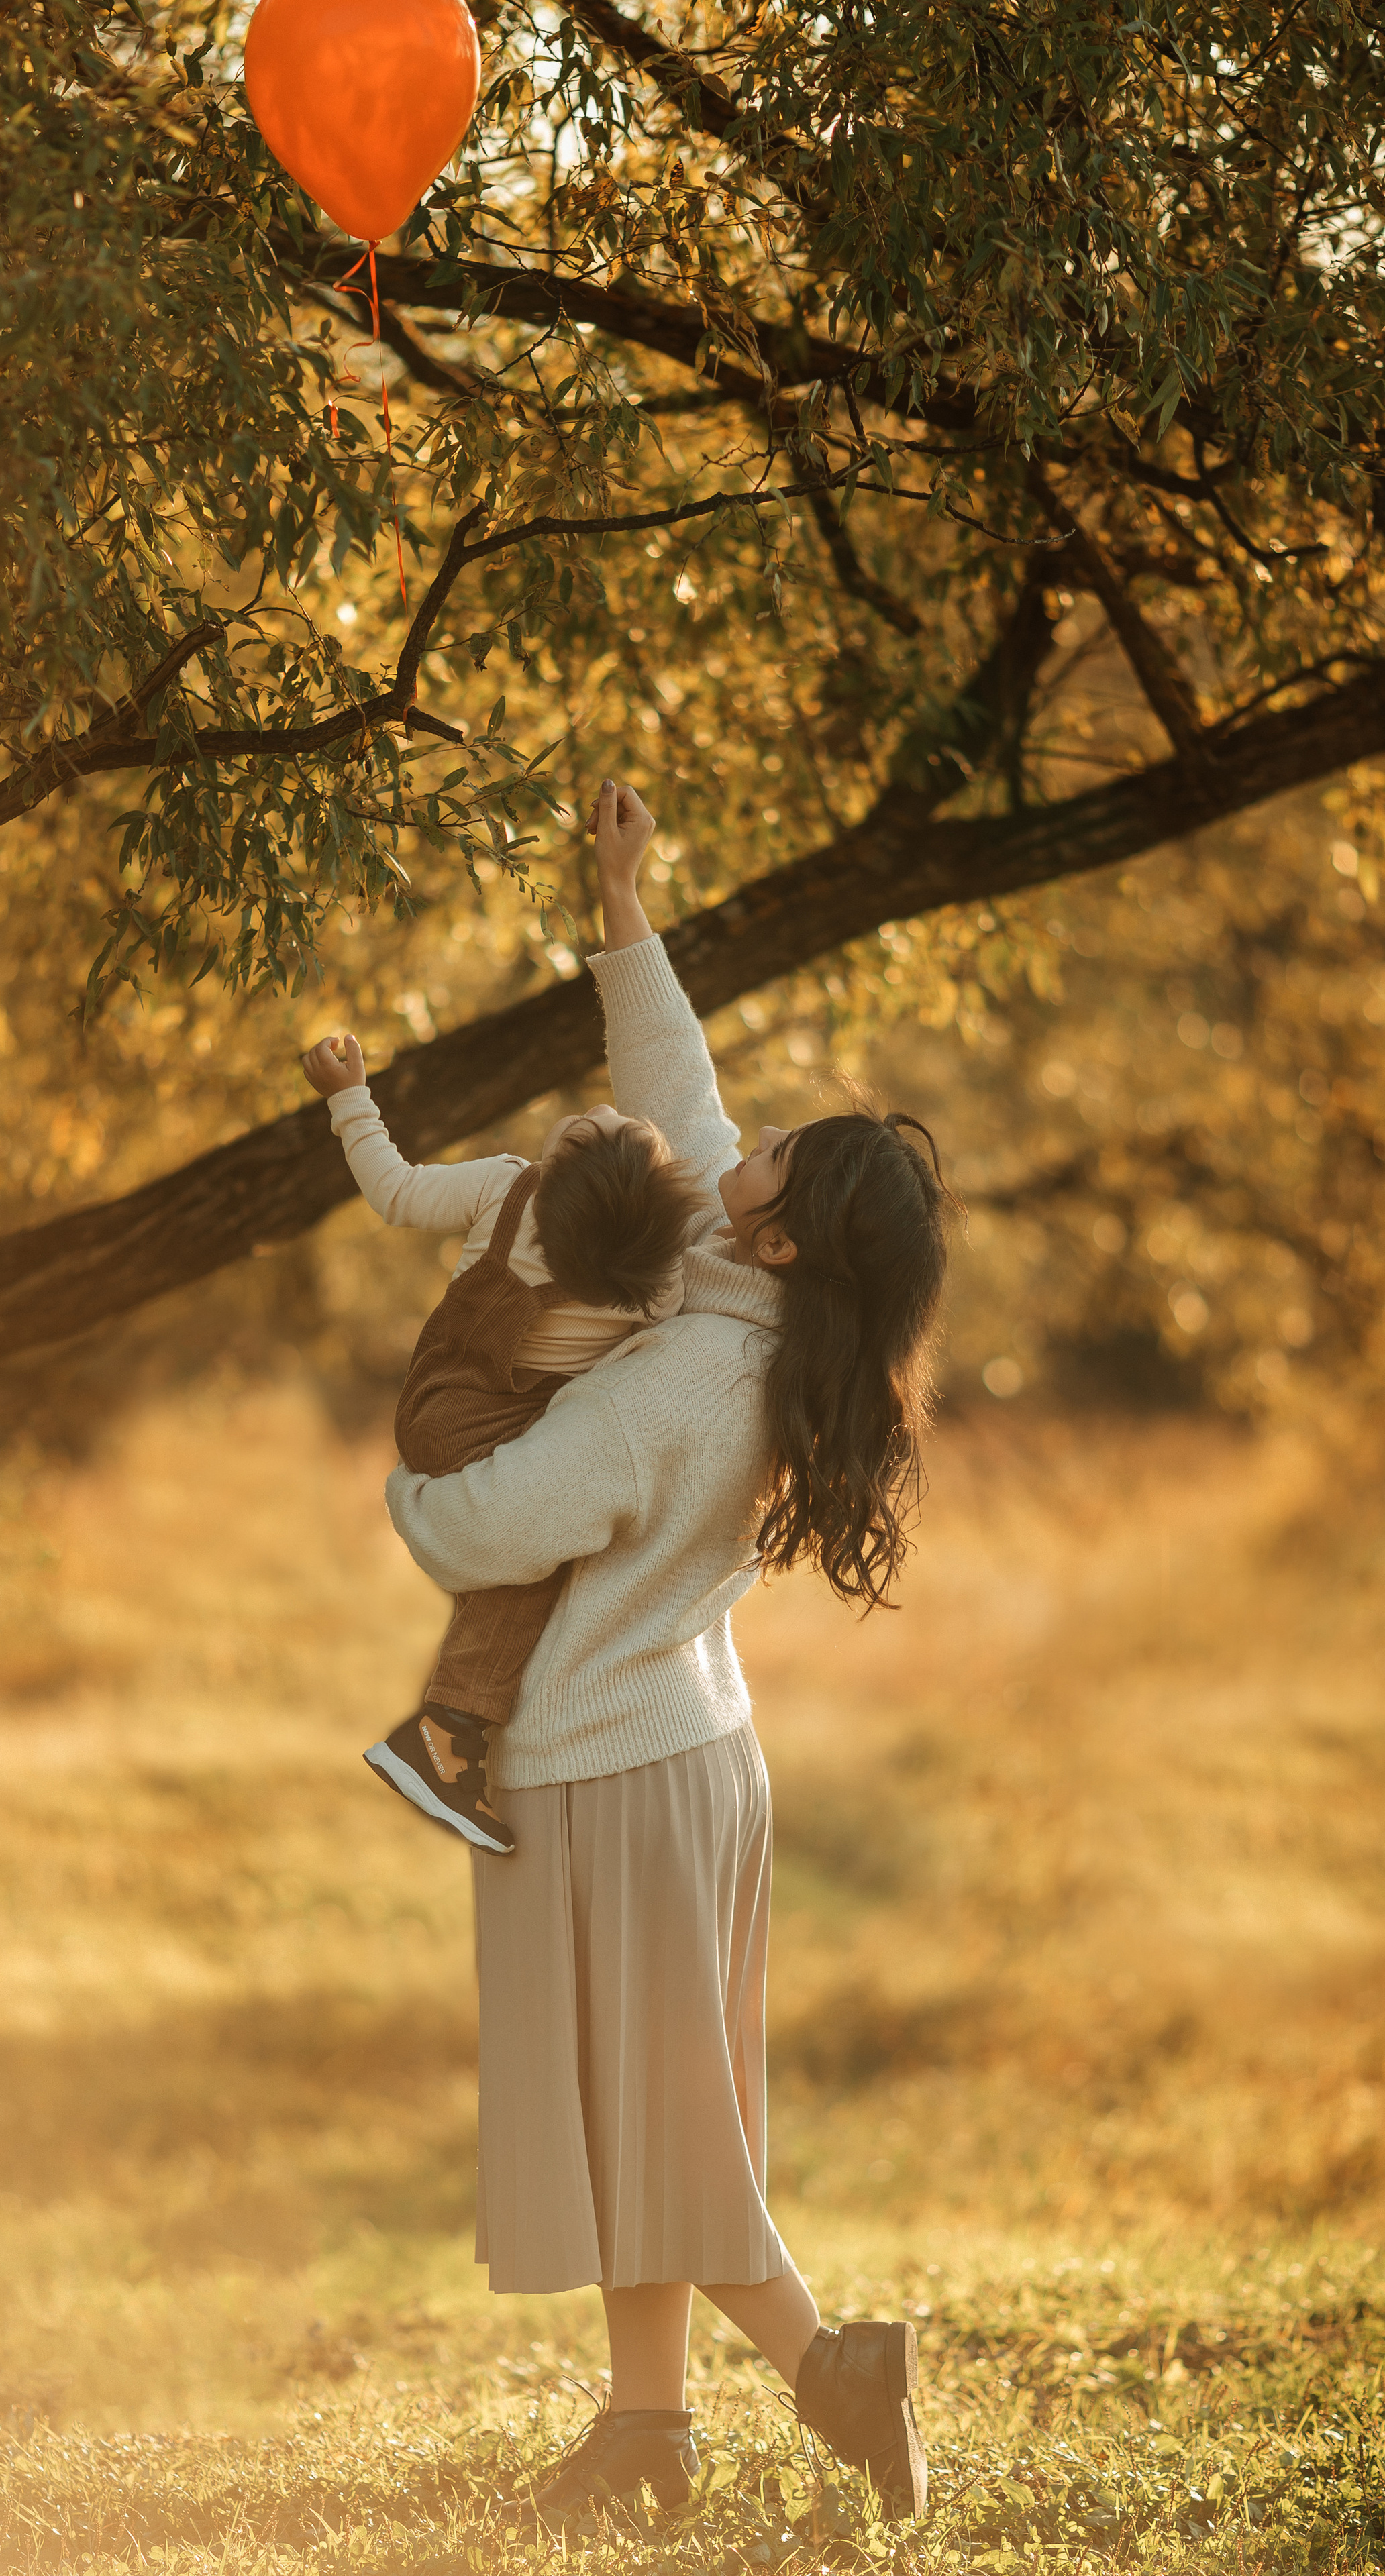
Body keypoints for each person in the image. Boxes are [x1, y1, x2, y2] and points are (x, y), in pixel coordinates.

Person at [384, 777, 958, 2524]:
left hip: (617, 1775)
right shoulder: (748, 1287)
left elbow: (486, 1523)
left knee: (667, 2138)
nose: (746, 1135)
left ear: (774, 1229)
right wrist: (624, 906)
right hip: (687, 1754)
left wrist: (416, 1468)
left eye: (778, 1152)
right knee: (650, 2116)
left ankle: (827, 2371)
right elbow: (679, 1093)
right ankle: (649, 2432)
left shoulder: (683, 1388)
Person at [301, 1003, 706, 1856]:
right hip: (482, 1426)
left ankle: (450, 1733)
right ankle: (450, 1730)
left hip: (439, 1404)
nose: (599, 1111)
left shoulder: (503, 1187)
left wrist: (349, 1097)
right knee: (536, 1548)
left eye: (591, 1133)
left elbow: (397, 1189)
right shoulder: (653, 1286)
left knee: (543, 1541)